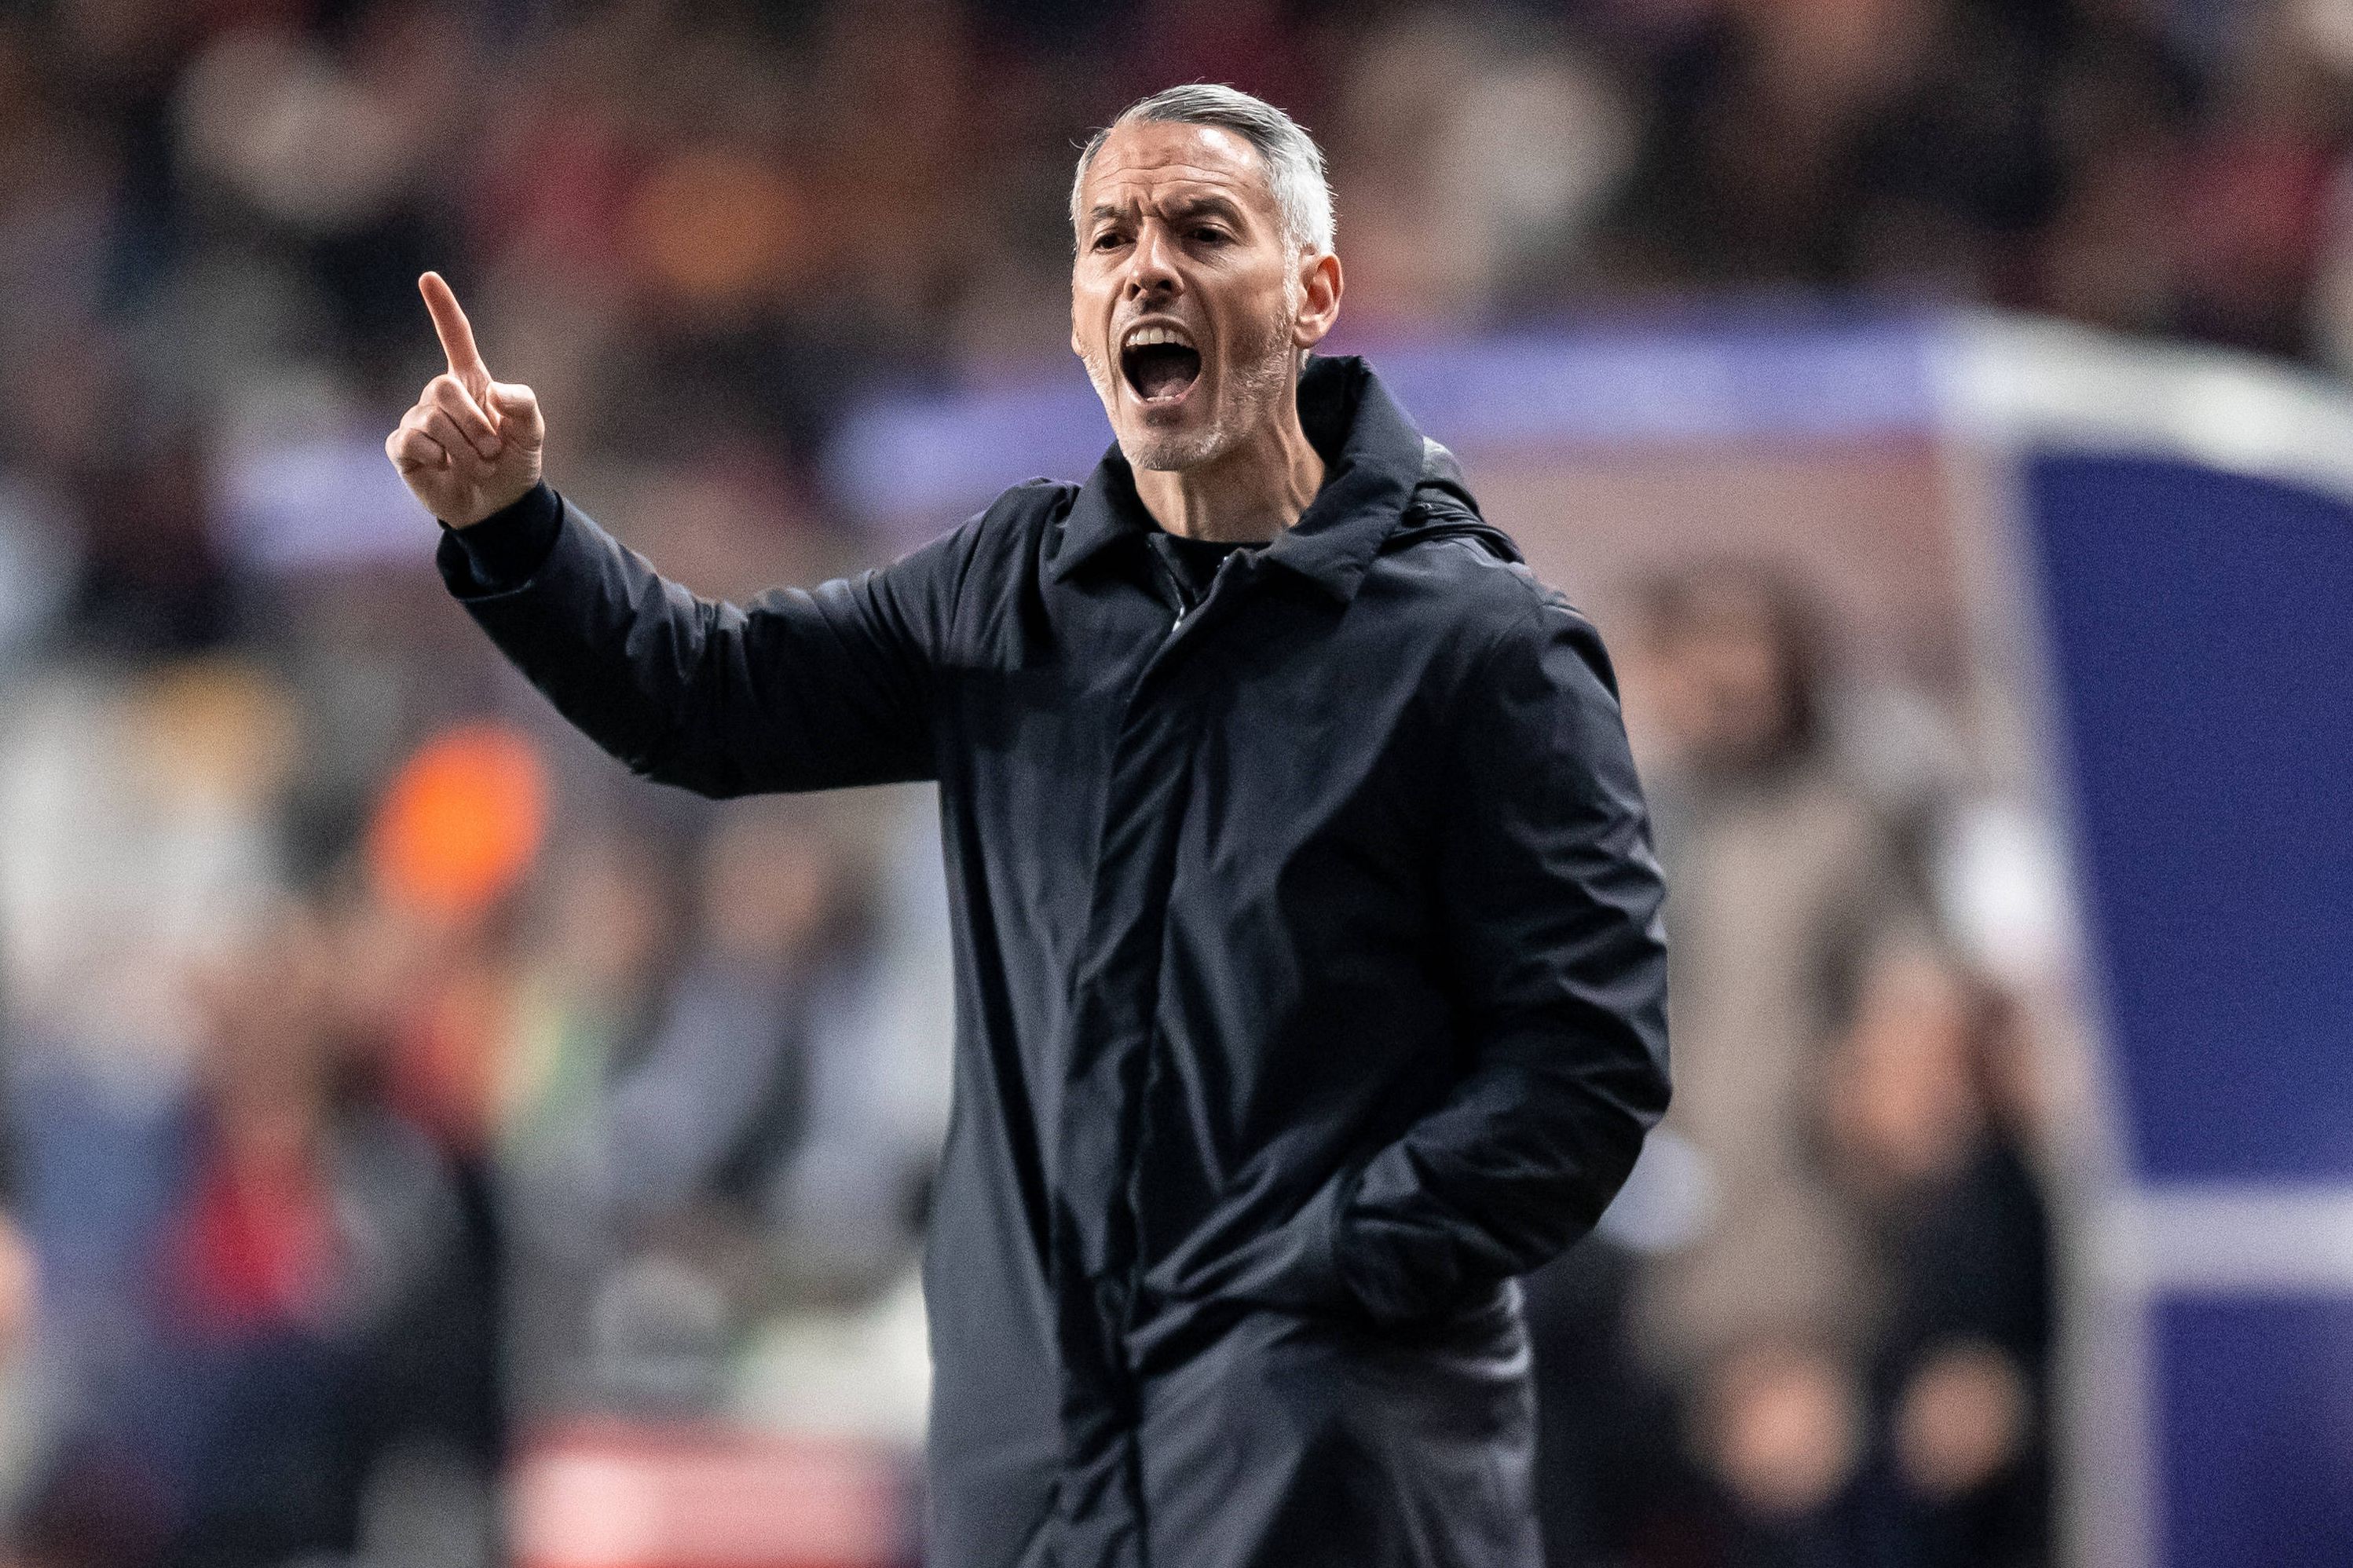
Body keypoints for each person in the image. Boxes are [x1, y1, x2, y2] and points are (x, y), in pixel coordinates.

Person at [386, 84, 1670, 1568]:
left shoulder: (1484, 647)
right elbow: (709, 699)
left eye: (1204, 228)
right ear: (1077, 314)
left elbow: (1585, 1066)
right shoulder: (1011, 592)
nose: (1147, 267)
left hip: (1331, 1460)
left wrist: (1318, 1271)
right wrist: (516, 529)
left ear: (1315, 291)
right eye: (1108, 237)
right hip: (1034, 1458)